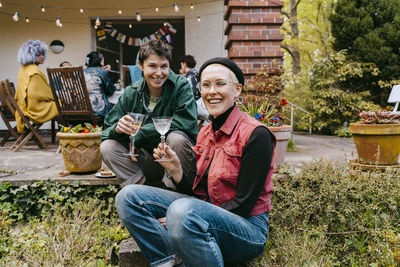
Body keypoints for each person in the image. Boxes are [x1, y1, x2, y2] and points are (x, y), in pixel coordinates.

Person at [115, 57, 276, 267]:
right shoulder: (205, 133)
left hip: (247, 228)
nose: (212, 92)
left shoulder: (256, 134)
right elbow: (197, 191)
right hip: (206, 212)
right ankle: (168, 261)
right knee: (128, 197)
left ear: (237, 90)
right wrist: (177, 170)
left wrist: (187, 217)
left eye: (220, 84)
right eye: (206, 85)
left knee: (182, 211)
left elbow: (244, 204)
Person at [101, 40, 198, 187]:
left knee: (177, 139)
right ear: (141, 66)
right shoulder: (131, 93)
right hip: (143, 160)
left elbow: (185, 123)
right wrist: (118, 128)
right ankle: (141, 190)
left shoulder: (181, 86)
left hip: (175, 161)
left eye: (164, 66)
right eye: (152, 66)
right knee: (107, 147)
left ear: (169, 66)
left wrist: (140, 134)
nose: (159, 73)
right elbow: (106, 130)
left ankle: (171, 192)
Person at [15, 40, 59, 133]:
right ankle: (66, 133)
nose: (42, 57)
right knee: (61, 104)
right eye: (39, 54)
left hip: (24, 106)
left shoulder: (23, 69)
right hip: (35, 108)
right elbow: (39, 94)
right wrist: (55, 98)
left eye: (43, 54)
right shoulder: (34, 70)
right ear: (30, 54)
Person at [179, 54, 210, 123]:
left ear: (184, 64)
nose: (181, 66)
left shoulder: (190, 74)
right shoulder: (195, 72)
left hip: (196, 105)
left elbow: (191, 92)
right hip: (202, 103)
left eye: (181, 64)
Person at [84, 51, 116, 117]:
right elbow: (110, 91)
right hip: (97, 110)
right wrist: (106, 72)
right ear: (100, 61)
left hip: (82, 108)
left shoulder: (81, 72)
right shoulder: (102, 72)